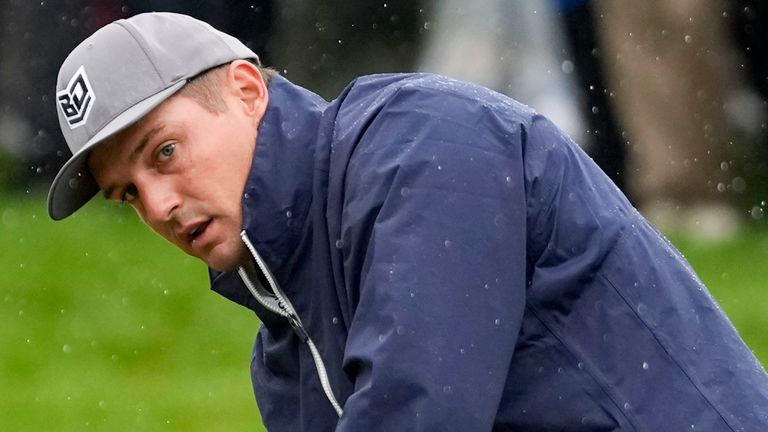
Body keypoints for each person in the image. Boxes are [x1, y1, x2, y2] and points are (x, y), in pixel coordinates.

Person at [48, 12, 768, 431]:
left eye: (164, 152)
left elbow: (421, 414)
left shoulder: (423, 143)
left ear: (245, 90)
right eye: (128, 195)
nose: (159, 204)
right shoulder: (284, 354)